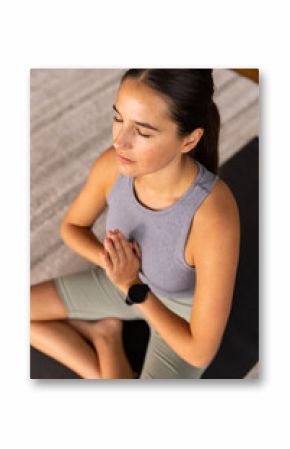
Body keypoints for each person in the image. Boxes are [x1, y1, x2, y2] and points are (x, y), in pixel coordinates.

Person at [30, 69, 240, 380]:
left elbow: (199, 350)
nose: (120, 141)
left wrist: (133, 285)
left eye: (142, 132)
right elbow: (72, 227)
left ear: (189, 140)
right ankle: (106, 336)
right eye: (118, 118)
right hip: (122, 282)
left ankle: (107, 341)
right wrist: (116, 267)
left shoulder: (214, 218)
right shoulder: (112, 166)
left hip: (180, 314)